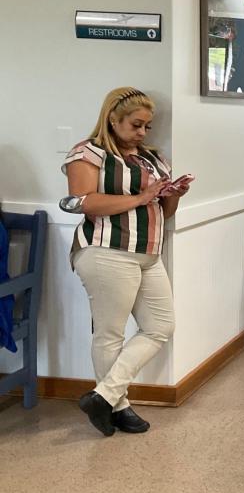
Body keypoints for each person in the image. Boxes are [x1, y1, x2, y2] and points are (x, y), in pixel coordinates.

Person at [65, 87, 189, 436]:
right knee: (110, 334)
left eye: (147, 126)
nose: (142, 133)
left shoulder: (152, 157)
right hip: (106, 251)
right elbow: (85, 202)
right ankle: (118, 407)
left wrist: (173, 195)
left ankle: (103, 395)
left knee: (160, 326)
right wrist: (143, 196)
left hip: (149, 252)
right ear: (113, 119)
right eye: (136, 125)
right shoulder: (87, 154)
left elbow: (165, 211)